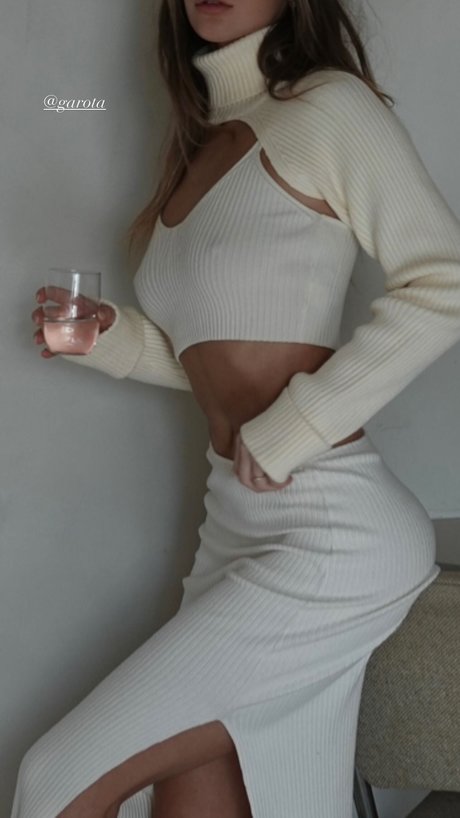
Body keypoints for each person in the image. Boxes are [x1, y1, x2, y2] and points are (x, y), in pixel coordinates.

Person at [15, 0, 460, 816]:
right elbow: (217, 355)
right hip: (232, 529)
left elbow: (444, 281)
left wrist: (301, 424)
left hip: (331, 533)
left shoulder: (328, 108)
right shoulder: (200, 144)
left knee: (54, 782)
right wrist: (113, 340)